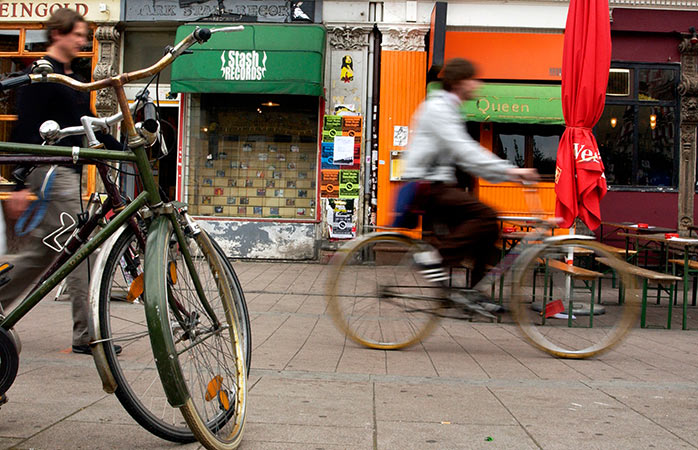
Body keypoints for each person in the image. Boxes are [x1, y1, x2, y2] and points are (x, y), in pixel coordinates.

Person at [1, 8, 121, 356]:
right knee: (79, 249)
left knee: (43, 253)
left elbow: (89, 126)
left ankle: (85, 331)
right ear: (58, 35)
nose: (84, 41)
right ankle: (86, 334)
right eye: (79, 35)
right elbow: (25, 130)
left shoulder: (71, 75)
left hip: (65, 173)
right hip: (51, 174)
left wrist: (124, 150)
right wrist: (19, 185)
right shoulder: (42, 75)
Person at [402, 58, 539, 310]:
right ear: (459, 82)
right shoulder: (439, 108)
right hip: (427, 186)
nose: (477, 85)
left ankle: (472, 293)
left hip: (438, 184)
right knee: (486, 216)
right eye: (472, 79)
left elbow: (468, 159)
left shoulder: (449, 108)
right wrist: (511, 170)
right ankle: (434, 258)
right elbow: (464, 149)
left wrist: (509, 174)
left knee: (487, 230)